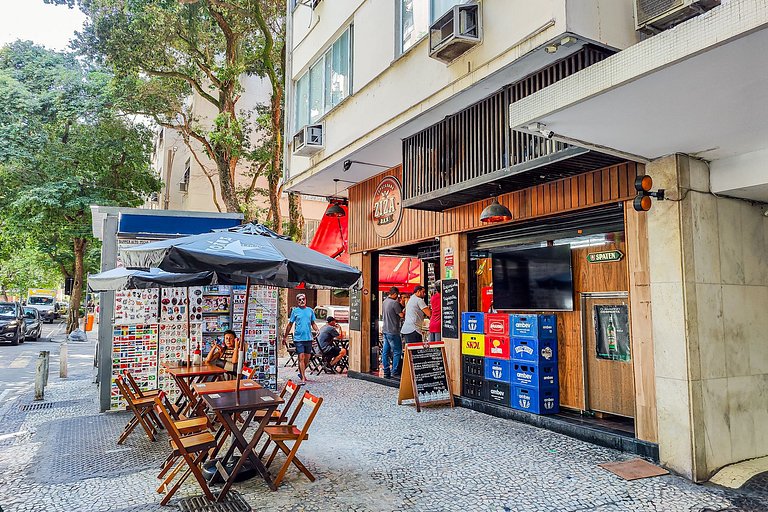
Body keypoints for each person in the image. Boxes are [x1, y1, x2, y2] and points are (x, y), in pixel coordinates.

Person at [282, 293, 317, 384]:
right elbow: (290, 324)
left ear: (305, 300)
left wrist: (317, 330)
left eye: (303, 299)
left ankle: (301, 373)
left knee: (307, 359)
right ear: (297, 301)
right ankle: (303, 378)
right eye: (299, 300)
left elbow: (313, 323)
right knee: (301, 357)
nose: (302, 301)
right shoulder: (295, 311)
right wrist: (285, 336)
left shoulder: (310, 311)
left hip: (308, 338)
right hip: (298, 338)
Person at [381, 286, 404, 378]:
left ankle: (386, 370)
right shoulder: (395, 303)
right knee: (397, 351)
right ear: (394, 294)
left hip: (385, 330)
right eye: (397, 295)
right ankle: (395, 371)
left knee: (385, 352)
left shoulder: (384, 302)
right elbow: (401, 315)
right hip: (393, 331)